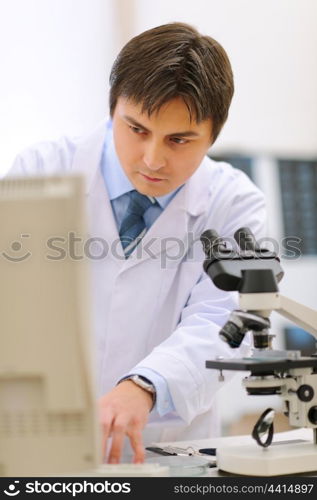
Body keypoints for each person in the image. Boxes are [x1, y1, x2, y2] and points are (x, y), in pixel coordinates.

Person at [8, 22, 266, 464]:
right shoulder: (42, 169)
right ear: (113, 110)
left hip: (164, 449)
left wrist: (145, 385)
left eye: (178, 140)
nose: (152, 160)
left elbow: (222, 324)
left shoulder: (233, 204)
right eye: (137, 129)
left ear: (213, 136)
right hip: (38, 441)